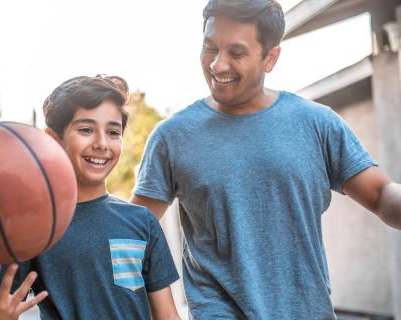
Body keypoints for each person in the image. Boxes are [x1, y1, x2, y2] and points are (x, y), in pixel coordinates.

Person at [131, 0, 401, 319]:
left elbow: (381, 194)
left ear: (270, 57)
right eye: (209, 48)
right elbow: (133, 233)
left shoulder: (317, 124)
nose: (217, 65)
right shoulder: (171, 137)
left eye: (236, 52)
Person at [0, 75, 181, 320]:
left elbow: (168, 315)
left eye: (113, 132)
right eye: (86, 129)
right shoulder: (32, 229)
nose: (102, 143)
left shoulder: (141, 222)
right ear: (53, 140)